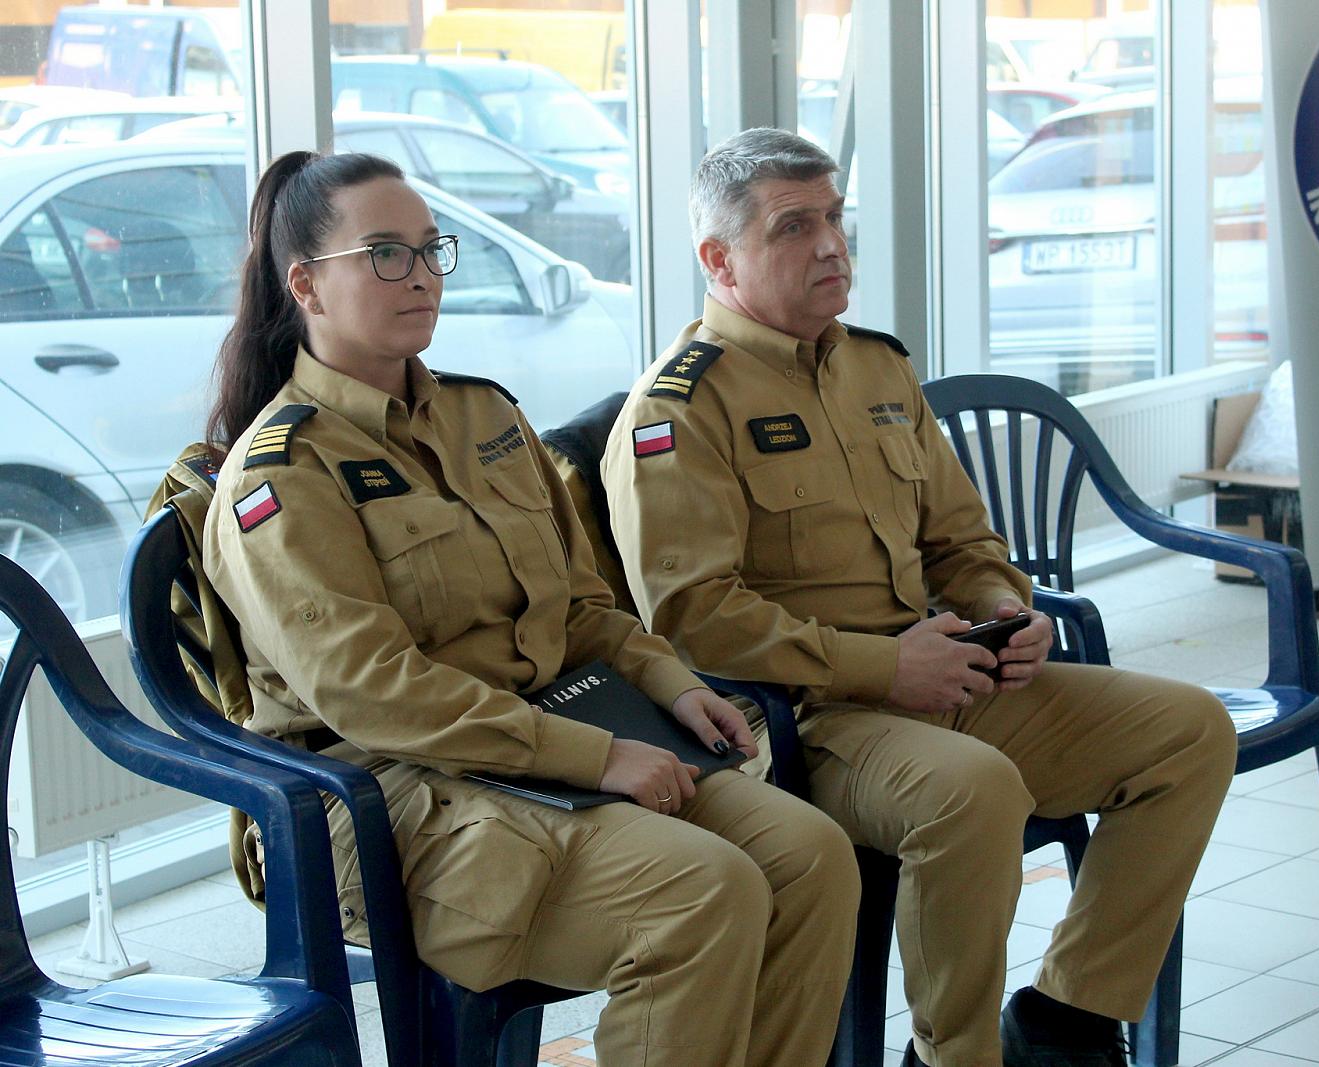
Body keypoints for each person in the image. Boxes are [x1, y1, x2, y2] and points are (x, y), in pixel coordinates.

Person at [201, 150, 858, 1067]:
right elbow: (375, 693)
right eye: (386, 253)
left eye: (431, 249)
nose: (421, 275)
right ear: (305, 284)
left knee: (812, 856)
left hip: (549, 745)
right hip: (395, 794)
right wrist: (598, 756)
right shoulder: (280, 476)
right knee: (700, 893)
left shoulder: (484, 418)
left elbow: (580, 604)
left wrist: (671, 685)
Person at [602, 128, 1237, 1067]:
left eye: (835, 217)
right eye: (794, 227)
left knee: (1189, 730)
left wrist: (1004, 609)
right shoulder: (676, 410)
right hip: (806, 721)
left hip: (944, 676)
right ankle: (952, 1054)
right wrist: (885, 666)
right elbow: (695, 619)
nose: (831, 244)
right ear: (718, 259)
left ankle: (1065, 1020)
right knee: (971, 792)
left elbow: (962, 540)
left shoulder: (877, 366)